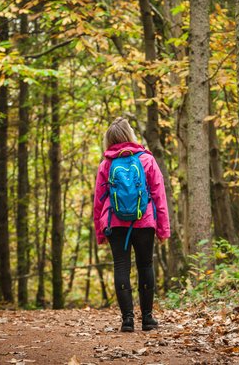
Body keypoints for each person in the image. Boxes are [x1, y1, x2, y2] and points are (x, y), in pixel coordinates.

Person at [93, 117, 170, 332]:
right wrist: (163, 229)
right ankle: (147, 319)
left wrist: (99, 232)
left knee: (121, 266)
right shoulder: (146, 160)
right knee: (145, 265)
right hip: (144, 221)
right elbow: (159, 196)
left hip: (115, 222)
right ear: (130, 135)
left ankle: (127, 320)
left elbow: (98, 201)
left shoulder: (106, 164)